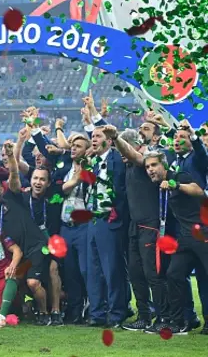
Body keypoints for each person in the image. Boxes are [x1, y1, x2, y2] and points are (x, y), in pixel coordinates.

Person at [105, 126, 168, 332]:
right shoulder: (128, 167)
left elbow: (133, 155)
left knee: (153, 274)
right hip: (134, 227)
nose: (122, 155)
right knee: (135, 273)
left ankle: (163, 317)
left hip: (150, 226)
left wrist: (115, 138)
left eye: (122, 149)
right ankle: (144, 316)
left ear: (135, 146)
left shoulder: (144, 162)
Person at [0, 143, 50, 325]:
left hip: (35, 247)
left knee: (32, 283)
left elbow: (13, 174)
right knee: (12, 275)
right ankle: (3, 316)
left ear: (0, 188)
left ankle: (45, 313)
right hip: (19, 253)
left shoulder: (12, 197)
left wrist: (12, 157)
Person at [144, 150, 208, 334]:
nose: (150, 169)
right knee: (173, 274)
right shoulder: (159, 186)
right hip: (186, 238)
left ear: (164, 165)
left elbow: (198, 191)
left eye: (154, 165)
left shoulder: (178, 176)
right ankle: (179, 322)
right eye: (148, 166)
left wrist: (176, 185)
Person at [86, 126, 128, 327]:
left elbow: (123, 189)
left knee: (112, 270)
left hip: (111, 221)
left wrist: (116, 209)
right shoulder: (93, 163)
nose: (93, 139)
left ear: (109, 141)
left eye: (98, 136)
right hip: (93, 220)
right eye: (92, 136)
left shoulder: (118, 161)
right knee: (93, 270)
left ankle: (117, 313)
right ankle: (97, 314)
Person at [22, 167, 65, 326]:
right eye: (35, 178)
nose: (38, 182)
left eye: (42, 179)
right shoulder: (24, 198)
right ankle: (40, 311)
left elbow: (72, 183)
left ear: (48, 183)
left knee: (53, 269)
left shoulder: (54, 196)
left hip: (53, 243)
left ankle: (56, 311)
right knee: (30, 281)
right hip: (33, 247)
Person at [59, 132, 91, 324]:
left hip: (84, 226)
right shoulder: (65, 168)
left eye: (78, 146)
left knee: (86, 270)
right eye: (72, 145)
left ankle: (91, 309)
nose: (73, 148)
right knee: (70, 271)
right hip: (66, 226)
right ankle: (75, 311)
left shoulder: (91, 170)